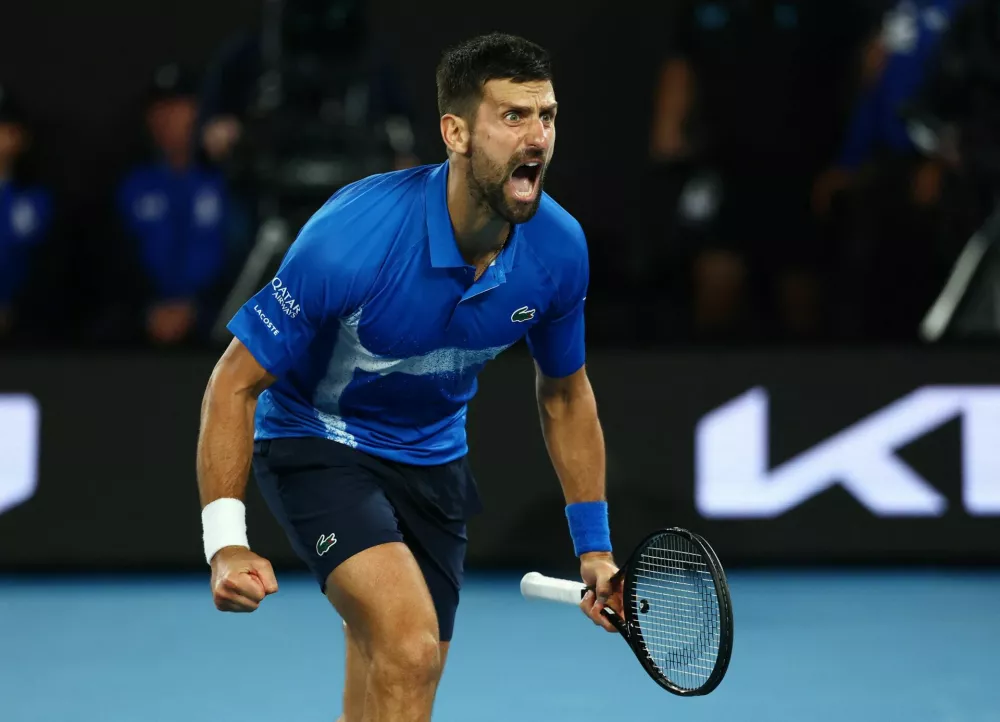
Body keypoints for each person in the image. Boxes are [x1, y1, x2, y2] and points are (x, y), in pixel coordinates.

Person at [195, 33, 619, 722]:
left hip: (433, 460)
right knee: (409, 645)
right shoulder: (353, 237)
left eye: (547, 115)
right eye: (513, 116)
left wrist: (595, 548)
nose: (537, 135)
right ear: (455, 131)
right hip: (318, 441)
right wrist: (226, 543)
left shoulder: (558, 250)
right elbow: (233, 383)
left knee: (398, 673)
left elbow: (566, 394)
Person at [117, 64, 230, 346]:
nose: (167, 118)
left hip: (221, 331)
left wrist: (198, 311)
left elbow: (250, 259)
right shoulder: (131, 184)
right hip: (141, 331)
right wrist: (147, 310)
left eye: (180, 106)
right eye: (159, 108)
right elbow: (115, 261)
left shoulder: (233, 181)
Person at [0, 84, 52, 343]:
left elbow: (50, 270)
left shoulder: (39, 201)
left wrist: (15, 311)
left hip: (25, 338)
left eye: (3, 127)